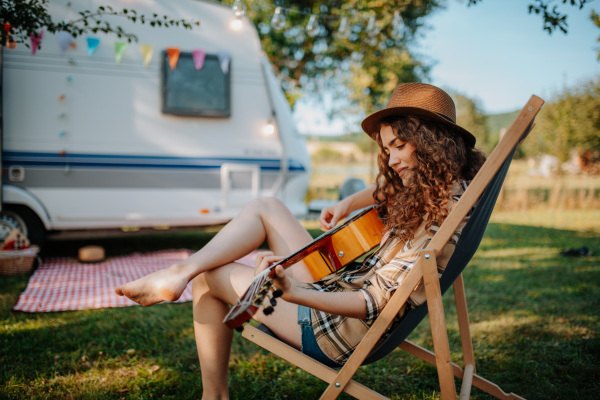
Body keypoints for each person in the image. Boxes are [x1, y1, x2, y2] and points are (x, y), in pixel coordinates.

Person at [115, 82, 486, 400]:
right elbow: (385, 189)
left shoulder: (439, 217)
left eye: (400, 145)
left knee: (208, 279)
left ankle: (212, 393)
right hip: (335, 292)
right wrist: (347, 202)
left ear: (430, 141)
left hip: (333, 328)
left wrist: (291, 291)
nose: (391, 160)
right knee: (267, 207)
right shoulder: (447, 190)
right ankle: (179, 271)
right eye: (388, 150)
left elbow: (373, 302)